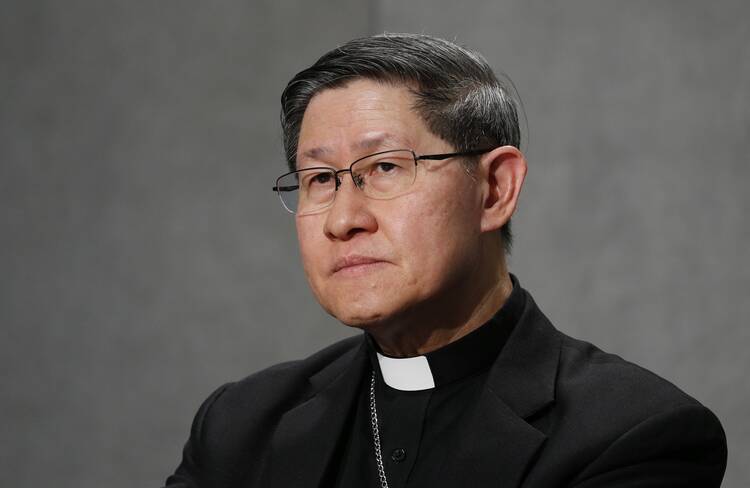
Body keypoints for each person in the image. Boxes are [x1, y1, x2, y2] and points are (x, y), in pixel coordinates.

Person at [164, 33, 727, 488]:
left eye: (384, 167)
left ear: (494, 190)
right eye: (319, 180)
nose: (342, 220)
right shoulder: (241, 426)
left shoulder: (631, 434)